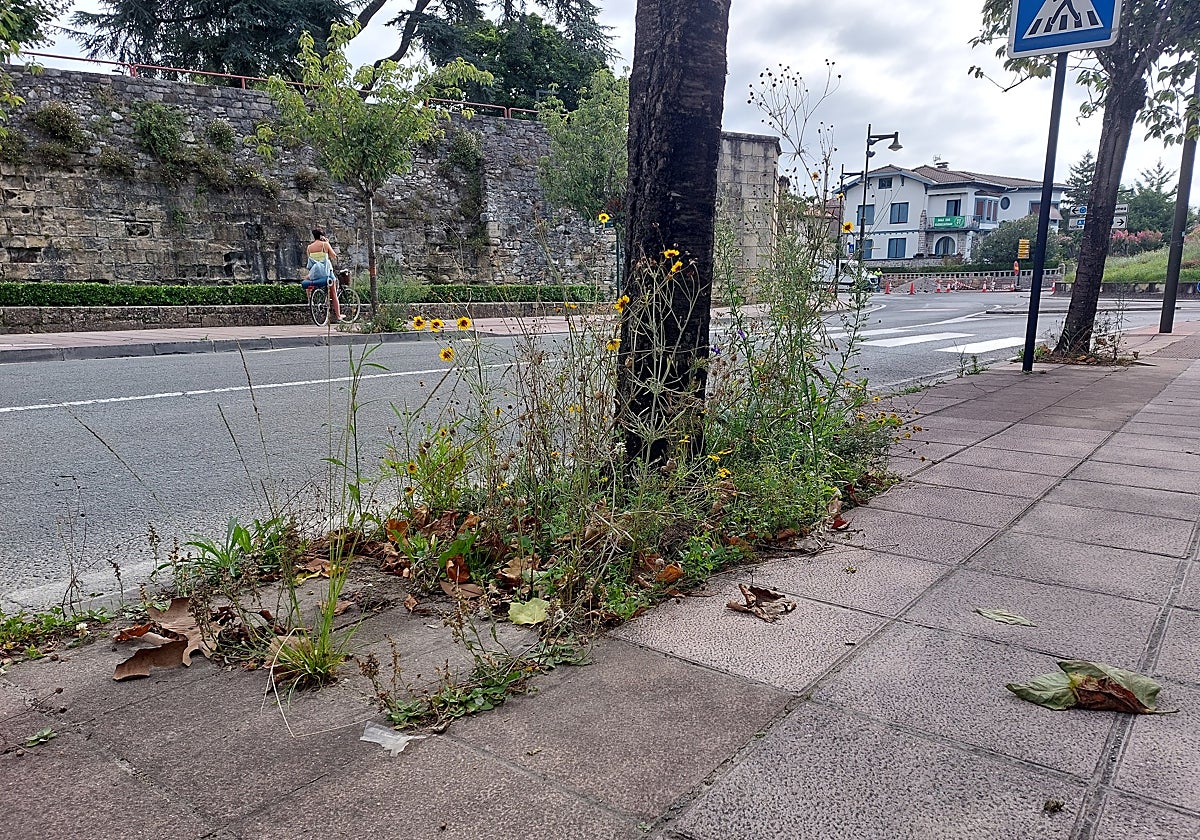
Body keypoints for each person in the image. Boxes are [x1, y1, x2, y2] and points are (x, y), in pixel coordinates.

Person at [302, 227, 342, 322]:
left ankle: (310, 300)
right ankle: (338, 316)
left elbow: (310, 262)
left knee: (307, 279)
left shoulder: (309, 248)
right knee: (333, 293)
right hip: (326, 272)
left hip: (315, 273)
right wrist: (327, 243)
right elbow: (334, 256)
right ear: (322, 236)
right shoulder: (325, 245)